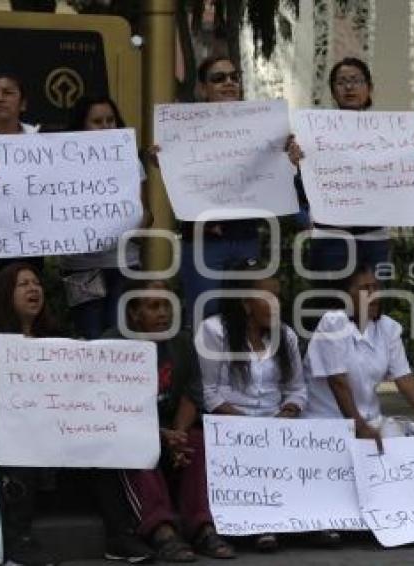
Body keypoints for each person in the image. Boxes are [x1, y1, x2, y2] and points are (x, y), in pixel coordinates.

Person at [0, 263, 152, 565]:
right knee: (22, 448)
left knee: (102, 444)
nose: (34, 289)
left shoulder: (55, 334)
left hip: (57, 427)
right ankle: (18, 539)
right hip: (9, 428)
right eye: (23, 285)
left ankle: (119, 536)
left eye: (36, 283)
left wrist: (81, 358)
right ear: (6, 293)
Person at [107, 279, 236, 562]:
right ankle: (160, 528)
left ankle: (201, 525)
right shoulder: (113, 344)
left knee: (197, 441)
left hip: (170, 428)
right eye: (154, 307)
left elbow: (192, 394)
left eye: (167, 305)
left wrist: (177, 434)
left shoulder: (181, 343)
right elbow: (113, 408)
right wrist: (159, 434)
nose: (164, 313)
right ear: (133, 314)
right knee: (137, 445)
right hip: (131, 429)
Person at [197, 260, 311, 551]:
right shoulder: (214, 331)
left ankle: (311, 522)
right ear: (246, 304)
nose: (277, 305)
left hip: (276, 425)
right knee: (253, 452)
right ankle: (260, 525)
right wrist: (248, 425)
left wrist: (287, 413)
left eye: (278, 297)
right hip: (231, 425)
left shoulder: (286, 335)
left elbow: (297, 390)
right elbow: (209, 393)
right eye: (268, 298)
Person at [303, 264, 414, 450]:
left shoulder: (388, 328)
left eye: (375, 288)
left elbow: (405, 379)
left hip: (371, 422)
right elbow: (338, 381)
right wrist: (359, 428)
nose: (373, 294)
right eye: (364, 289)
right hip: (329, 425)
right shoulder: (332, 322)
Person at [164, 56, 262, 326]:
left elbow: (274, 179)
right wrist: (157, 158)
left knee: (249, 316)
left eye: (234, 77)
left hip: (245, 237)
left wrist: (289, 156)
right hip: (202, 242)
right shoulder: (183, 130)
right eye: (219, 78)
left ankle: (244, 370)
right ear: (202, 89)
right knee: (208, 319)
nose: (229, 82)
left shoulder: (261, 126)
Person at [59, 94, 152, 338]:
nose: (106, 126)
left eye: (111, 120)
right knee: (90, 335)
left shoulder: (131, 161)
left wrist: (136, 226)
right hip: (81, 268)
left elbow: (145, 212)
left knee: (121, 336)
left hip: (124, 263)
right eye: (97, 121)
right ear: (82, 126)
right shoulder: (60, 164)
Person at [288, 58, 391, 275]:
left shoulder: (391, 134)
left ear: (369, 87)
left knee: (371, 305)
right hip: (330, 241)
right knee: (331, 304)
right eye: (342, 82)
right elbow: (300, 190)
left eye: (356, 80)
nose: (349, 87)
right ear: (333, 91)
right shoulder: (313, 134)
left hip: (374, 241)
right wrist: (298, 164)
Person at [0, 72, 42, 315]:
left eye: (8, 93)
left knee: (22, 317)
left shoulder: (43, 144)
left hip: (26, 247)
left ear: (23, 104)